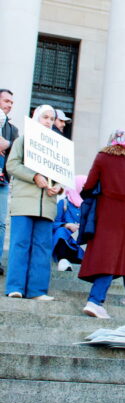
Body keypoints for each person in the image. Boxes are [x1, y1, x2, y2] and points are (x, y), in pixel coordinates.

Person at [78, 130, 125, 319]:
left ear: (110, 142)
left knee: (107, 253)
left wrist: (87, 195)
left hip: (108, 210)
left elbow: (89, 184)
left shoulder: (103, 157)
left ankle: (95, 300)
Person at [5, 105, 62, 300]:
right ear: (35, 118)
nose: (48, 121)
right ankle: (15, 287)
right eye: (44, 117)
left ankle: (37, 290)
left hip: (47, 203)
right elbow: (12, 165)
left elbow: (61, 174)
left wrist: (59, 187)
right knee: (20, 244)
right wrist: (34, 176)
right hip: (24, 202)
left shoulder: (57, 146)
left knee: (42, 246)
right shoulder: (23, 141)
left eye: (51, 118)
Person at [0, 88, 19, 276]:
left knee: (0, 223)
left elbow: (16, 152)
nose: (9, 105)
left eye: (11, 102)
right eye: (6, 101)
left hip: (2, 181)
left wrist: (8, 144)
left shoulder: (12, 130)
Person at [52, 175, 87, 271]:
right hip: (67, 240)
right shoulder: (63, 203)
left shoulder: (88, 205)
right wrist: (67, 225)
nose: (86, 189)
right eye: (83, 186)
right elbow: (53, 224)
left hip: (82, 242)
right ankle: (63, 260)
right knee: (61, 231)